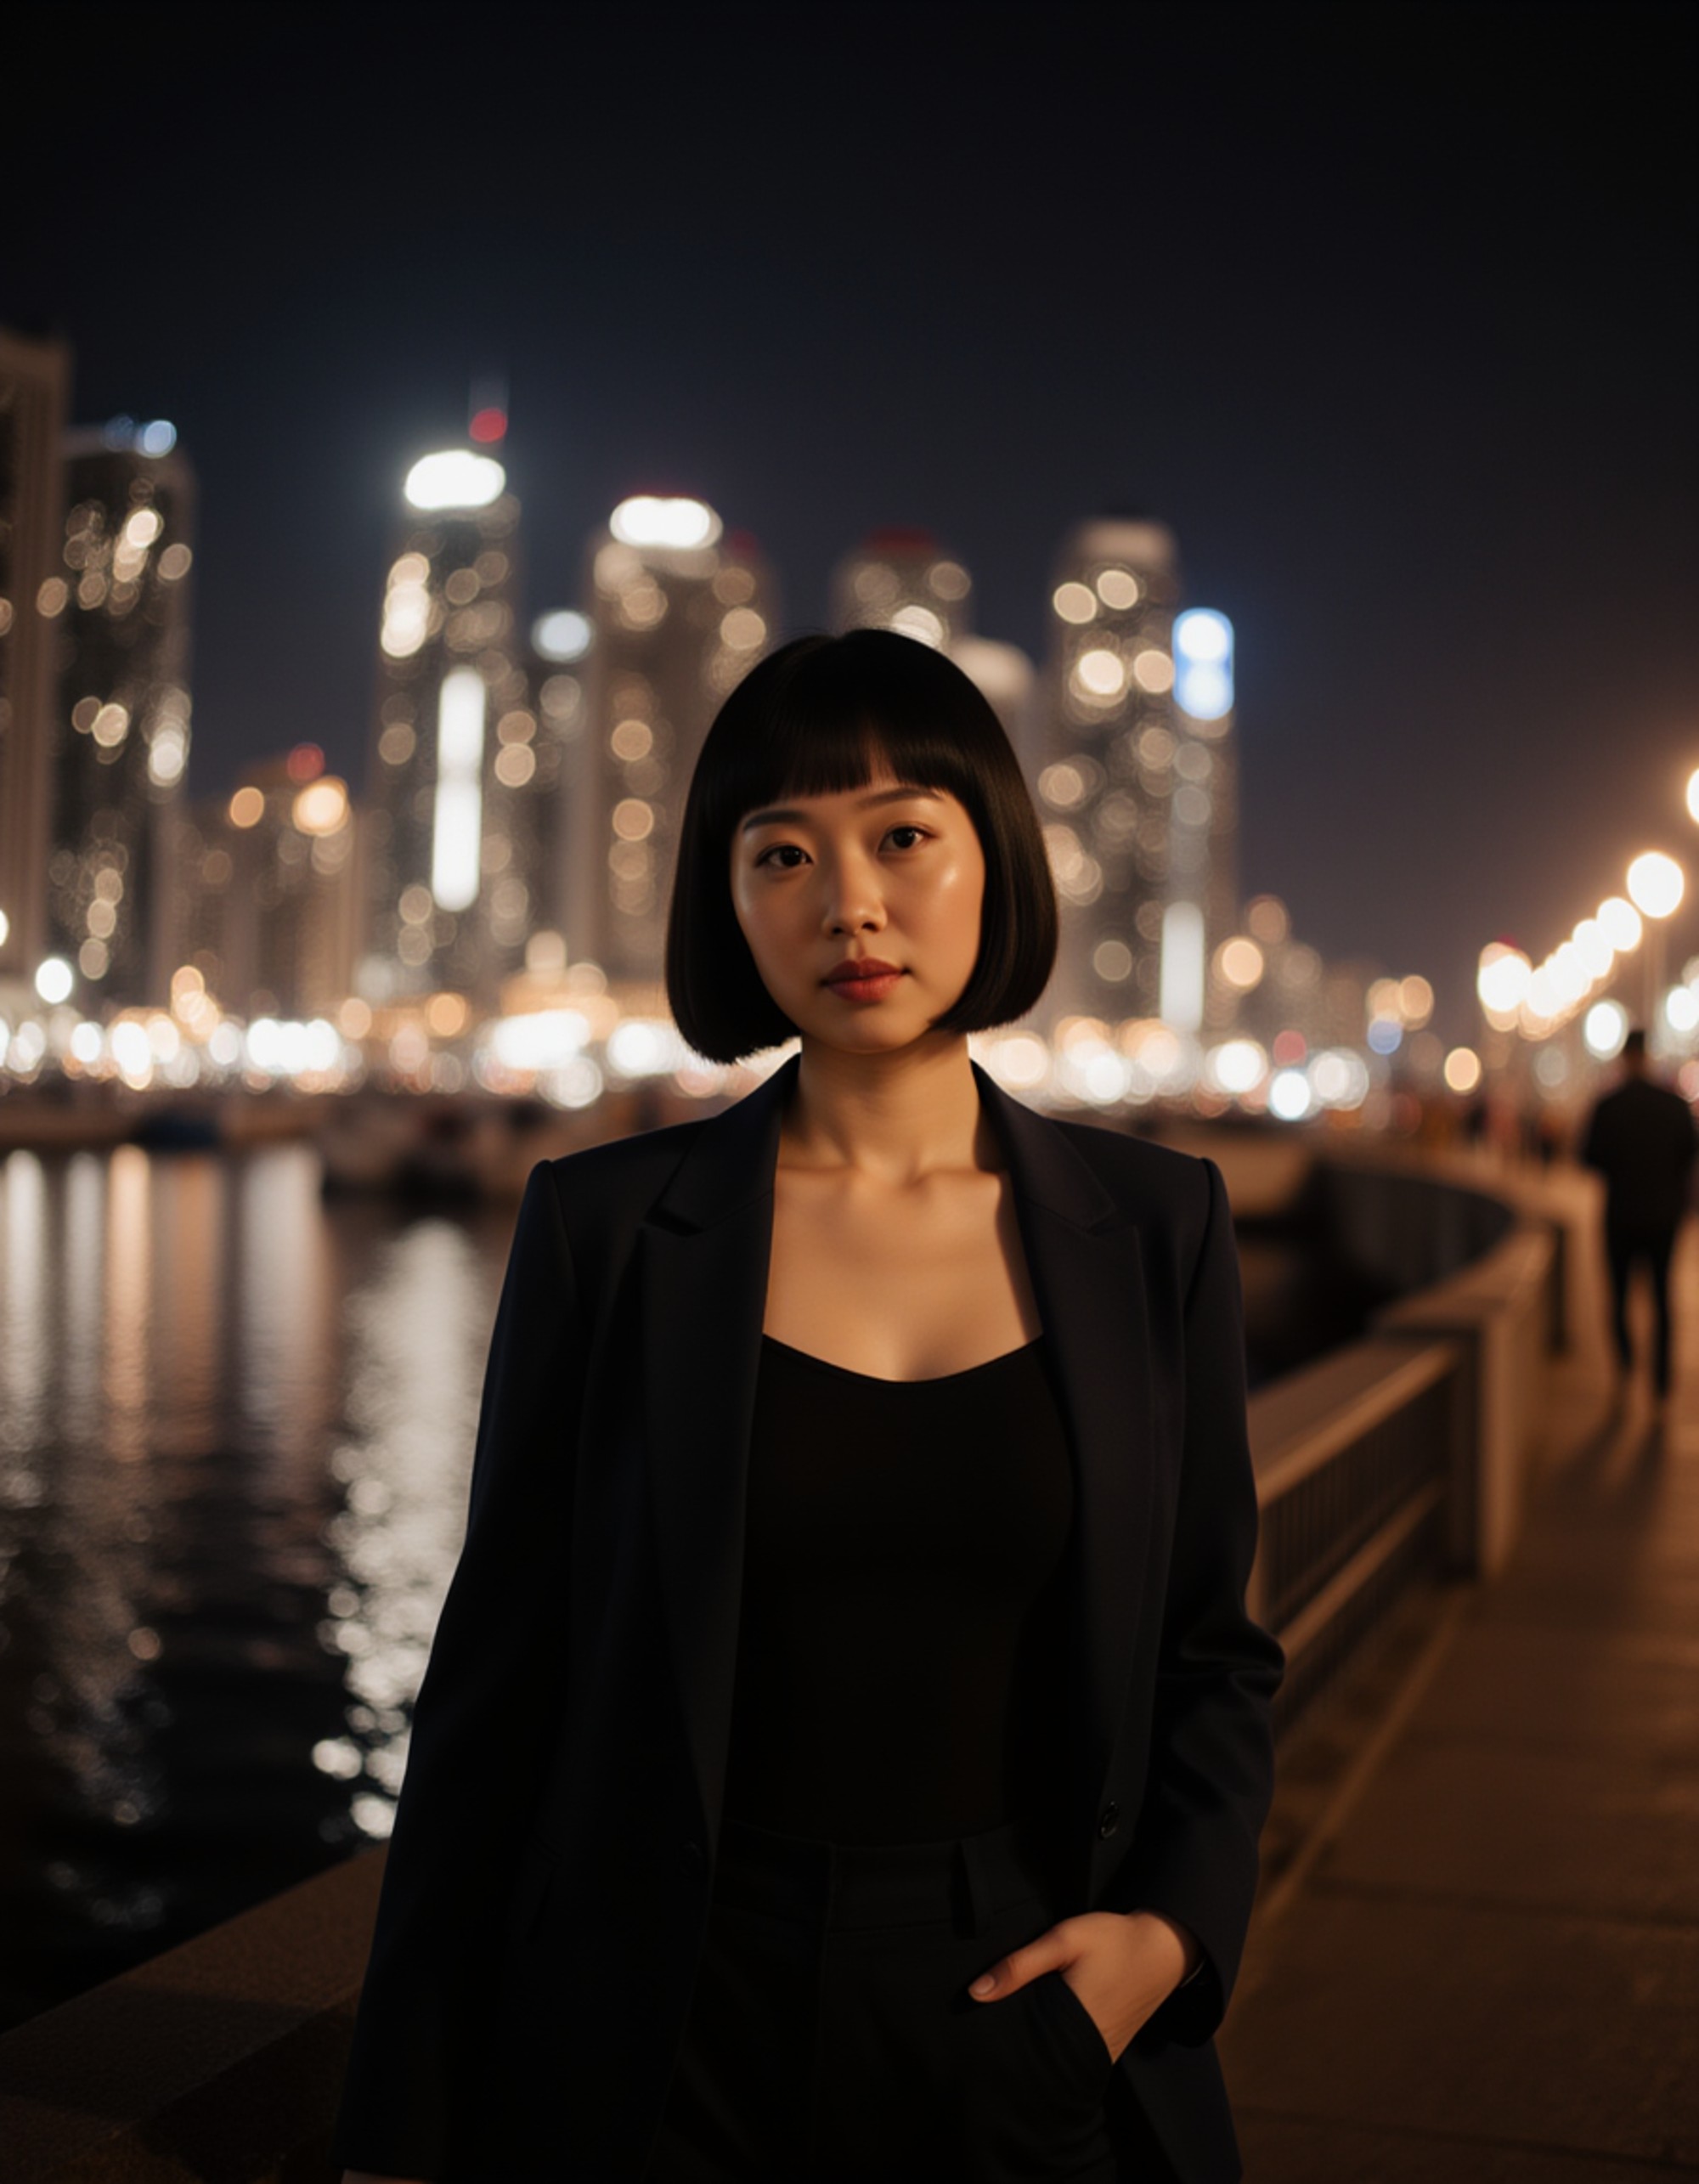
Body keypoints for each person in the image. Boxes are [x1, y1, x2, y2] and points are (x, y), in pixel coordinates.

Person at [331, 629, 1284, 2184]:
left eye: (905, 836)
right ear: (728, 895)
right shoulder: (611, 1231)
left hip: (1031, 2013)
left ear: (998, 862)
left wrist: (1169, 1938)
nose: (849, 902)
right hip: (675, 2041)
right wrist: (400, 2124)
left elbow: (1211, 1654)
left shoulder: (1154, 1226)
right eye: (784, 852)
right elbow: (499, 1688)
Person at [1578, 1026, 1699, 1401]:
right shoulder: (1673, 1105)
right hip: (1664, 1217)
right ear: (1647, 1056)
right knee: (1663, 1298)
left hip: (1621, 1216)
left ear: (1624, 1058)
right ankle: (1661, 1383)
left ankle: (1626, 1367)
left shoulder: (1608, 1106)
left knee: (1618, 1296)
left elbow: (1588, 1157)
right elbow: (1690, 1153)